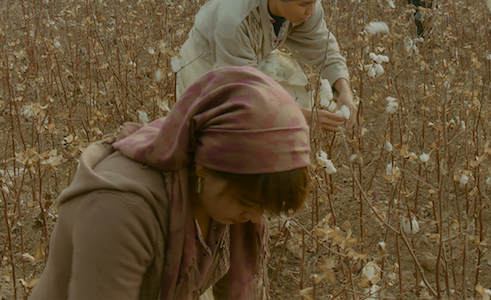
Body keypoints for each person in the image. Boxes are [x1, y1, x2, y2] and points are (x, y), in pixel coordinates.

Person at [31, 66, 312, 299]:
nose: (255, 217)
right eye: (248, 203)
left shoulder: (228, 194)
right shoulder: (119, 208)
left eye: (264, 208)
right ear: (204, 166)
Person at [174, 0, 356, 133]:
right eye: (304, 4)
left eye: (316, 1)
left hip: (250, 61)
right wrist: (305, 117)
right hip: (204, 63)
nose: (311, 11)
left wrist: (344, 92)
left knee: (287, 111)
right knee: (218, 133)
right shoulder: (235, 20)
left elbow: (325, 51)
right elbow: (243, 92)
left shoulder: (306, 5)